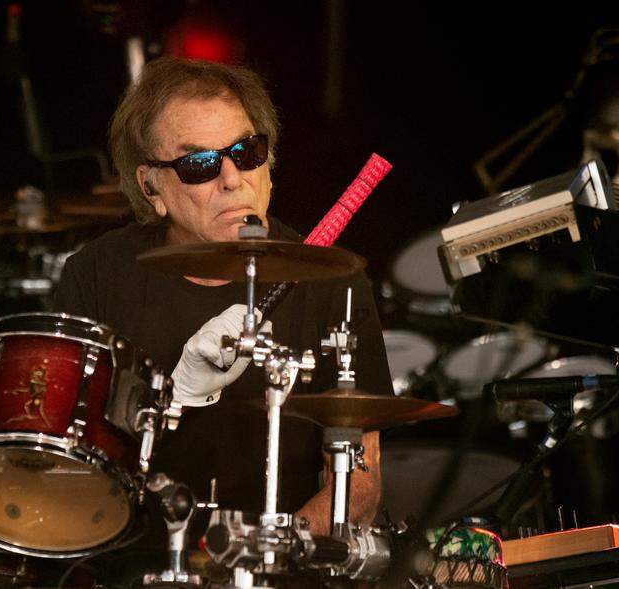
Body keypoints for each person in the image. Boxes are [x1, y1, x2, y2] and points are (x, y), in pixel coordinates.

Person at [53, 57, 391, 539]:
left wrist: (264, 554)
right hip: (132, 557)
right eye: (199, 164)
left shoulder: (332, 279)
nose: (233, 179)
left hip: (280, 565)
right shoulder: (96, 275)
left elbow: (359, 483)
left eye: (247, 151)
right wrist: (178, 394)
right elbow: (67, 466)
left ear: (269, 164)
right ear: (152, 188)